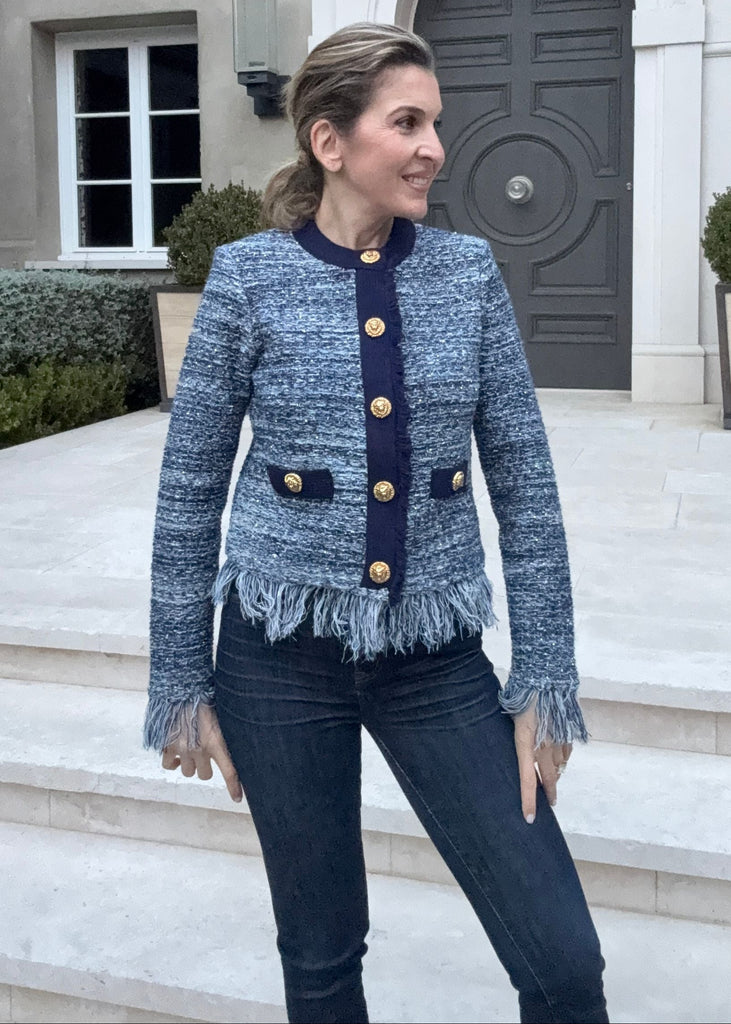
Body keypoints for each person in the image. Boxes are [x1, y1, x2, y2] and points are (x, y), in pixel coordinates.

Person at [143, 21, 609, 1024]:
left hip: (432, 654)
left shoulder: (465, 273)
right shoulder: (245, 277)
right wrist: (181, 678)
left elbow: (523, 485)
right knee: (320, 955)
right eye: (407, 122)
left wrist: (542, 674)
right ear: (329, 141)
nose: (434, 146)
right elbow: (188, 492)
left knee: (562, 959)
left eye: (434, 123)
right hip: (275, 657)